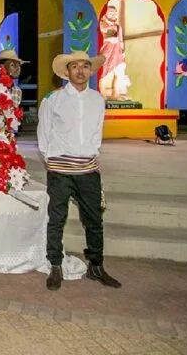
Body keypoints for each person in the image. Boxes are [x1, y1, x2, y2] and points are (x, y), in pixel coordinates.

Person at [38, 50, 121, 291]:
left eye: (85, 66)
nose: (80, 71)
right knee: (56, 219)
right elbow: (44, 134)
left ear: (91, 71)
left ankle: (96, 266)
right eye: (75, 66)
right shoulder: (53, 100)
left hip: (88, 170)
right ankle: (55, 265)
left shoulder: (97, 99)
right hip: (60, 170)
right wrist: (52, 160)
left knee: (94, 220)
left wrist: (92, 155)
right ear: (67, 72)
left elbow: (97, 132)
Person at [99, 0, 131, 101]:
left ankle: (116, 94)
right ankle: (102, 94)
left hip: (117, 51)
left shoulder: (118, 26)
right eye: (110, 13)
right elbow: (105, 35)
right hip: (107, 51)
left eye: (114, 13)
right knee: (103, 72)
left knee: (119, 72)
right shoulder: (102, 24)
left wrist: (122, 50)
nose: (113, 15)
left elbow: (120, 39)